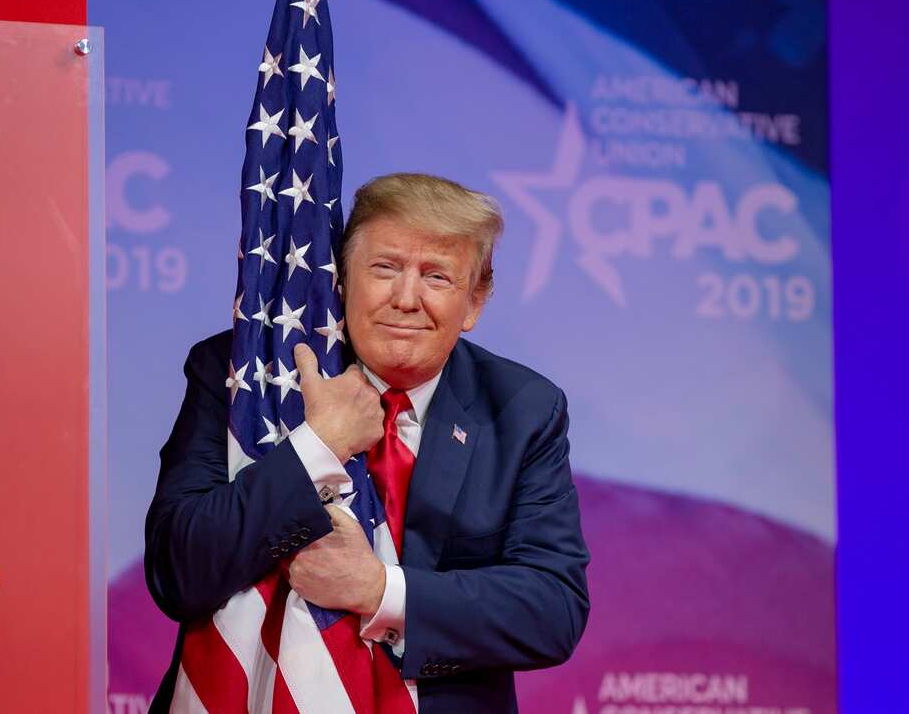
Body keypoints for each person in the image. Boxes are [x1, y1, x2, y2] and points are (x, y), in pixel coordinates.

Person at [144, 173, 590, 712]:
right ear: (340, 279)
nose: (406, 298)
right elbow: (177, 572)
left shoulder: (523, 409)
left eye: (437, 276)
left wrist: (379, 591)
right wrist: (317, 447)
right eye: (385, 268)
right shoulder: (245, 379)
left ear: (474, 302)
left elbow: (552, 610)